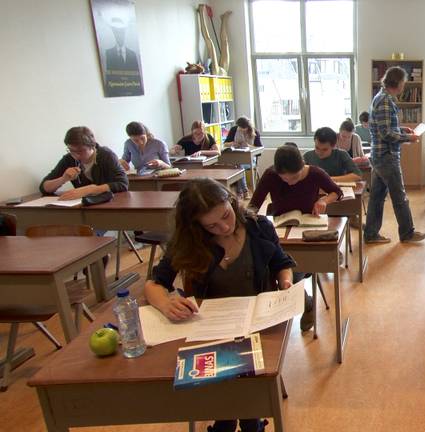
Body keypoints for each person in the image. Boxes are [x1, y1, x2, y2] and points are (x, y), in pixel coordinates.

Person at [145, 178, 310, 432]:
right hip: (210, 329)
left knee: (244, 392)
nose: (224, 227)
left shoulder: (257, 227)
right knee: (225, 393)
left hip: (256, 326)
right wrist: (166, 302)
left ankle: (245, 422)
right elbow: (154, 285)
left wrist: (285, 283)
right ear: (196, 225)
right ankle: (229, 421)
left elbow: (281, 262)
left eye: (226, 215)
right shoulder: (189, 241)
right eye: (212, 225)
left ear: (231, 201)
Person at [364, 66, 425, 244]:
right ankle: (407, 233)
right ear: (398, 82)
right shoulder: (385, 100)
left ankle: (370, 234)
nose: (404, 86)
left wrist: (402, 129)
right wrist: (409, 137)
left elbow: (387, 129)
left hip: (380, 155)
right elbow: (386, 134)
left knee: (376, 197)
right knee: (399, 197)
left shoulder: (383, 98)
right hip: (386, 156)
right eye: (403, 83)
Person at [250, 144, 342, 217]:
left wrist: (324, 201)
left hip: (308, 222)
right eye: (284, 179)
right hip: (280, 224)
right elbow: (253, 206)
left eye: (295, 177)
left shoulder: (315, 173)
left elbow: (337, 192)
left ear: (302, 166)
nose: (290, 183)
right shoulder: (271, 175)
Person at [40, 126, 128, 199]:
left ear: (92, 146)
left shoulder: (106, 155)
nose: (75, 155)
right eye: (71, 150)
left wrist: (92, 189)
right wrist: (63, 179)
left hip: (110, 203)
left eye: (80, 151)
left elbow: (122, 184)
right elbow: (44, 188)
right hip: (84, 206)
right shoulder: (68, 159)